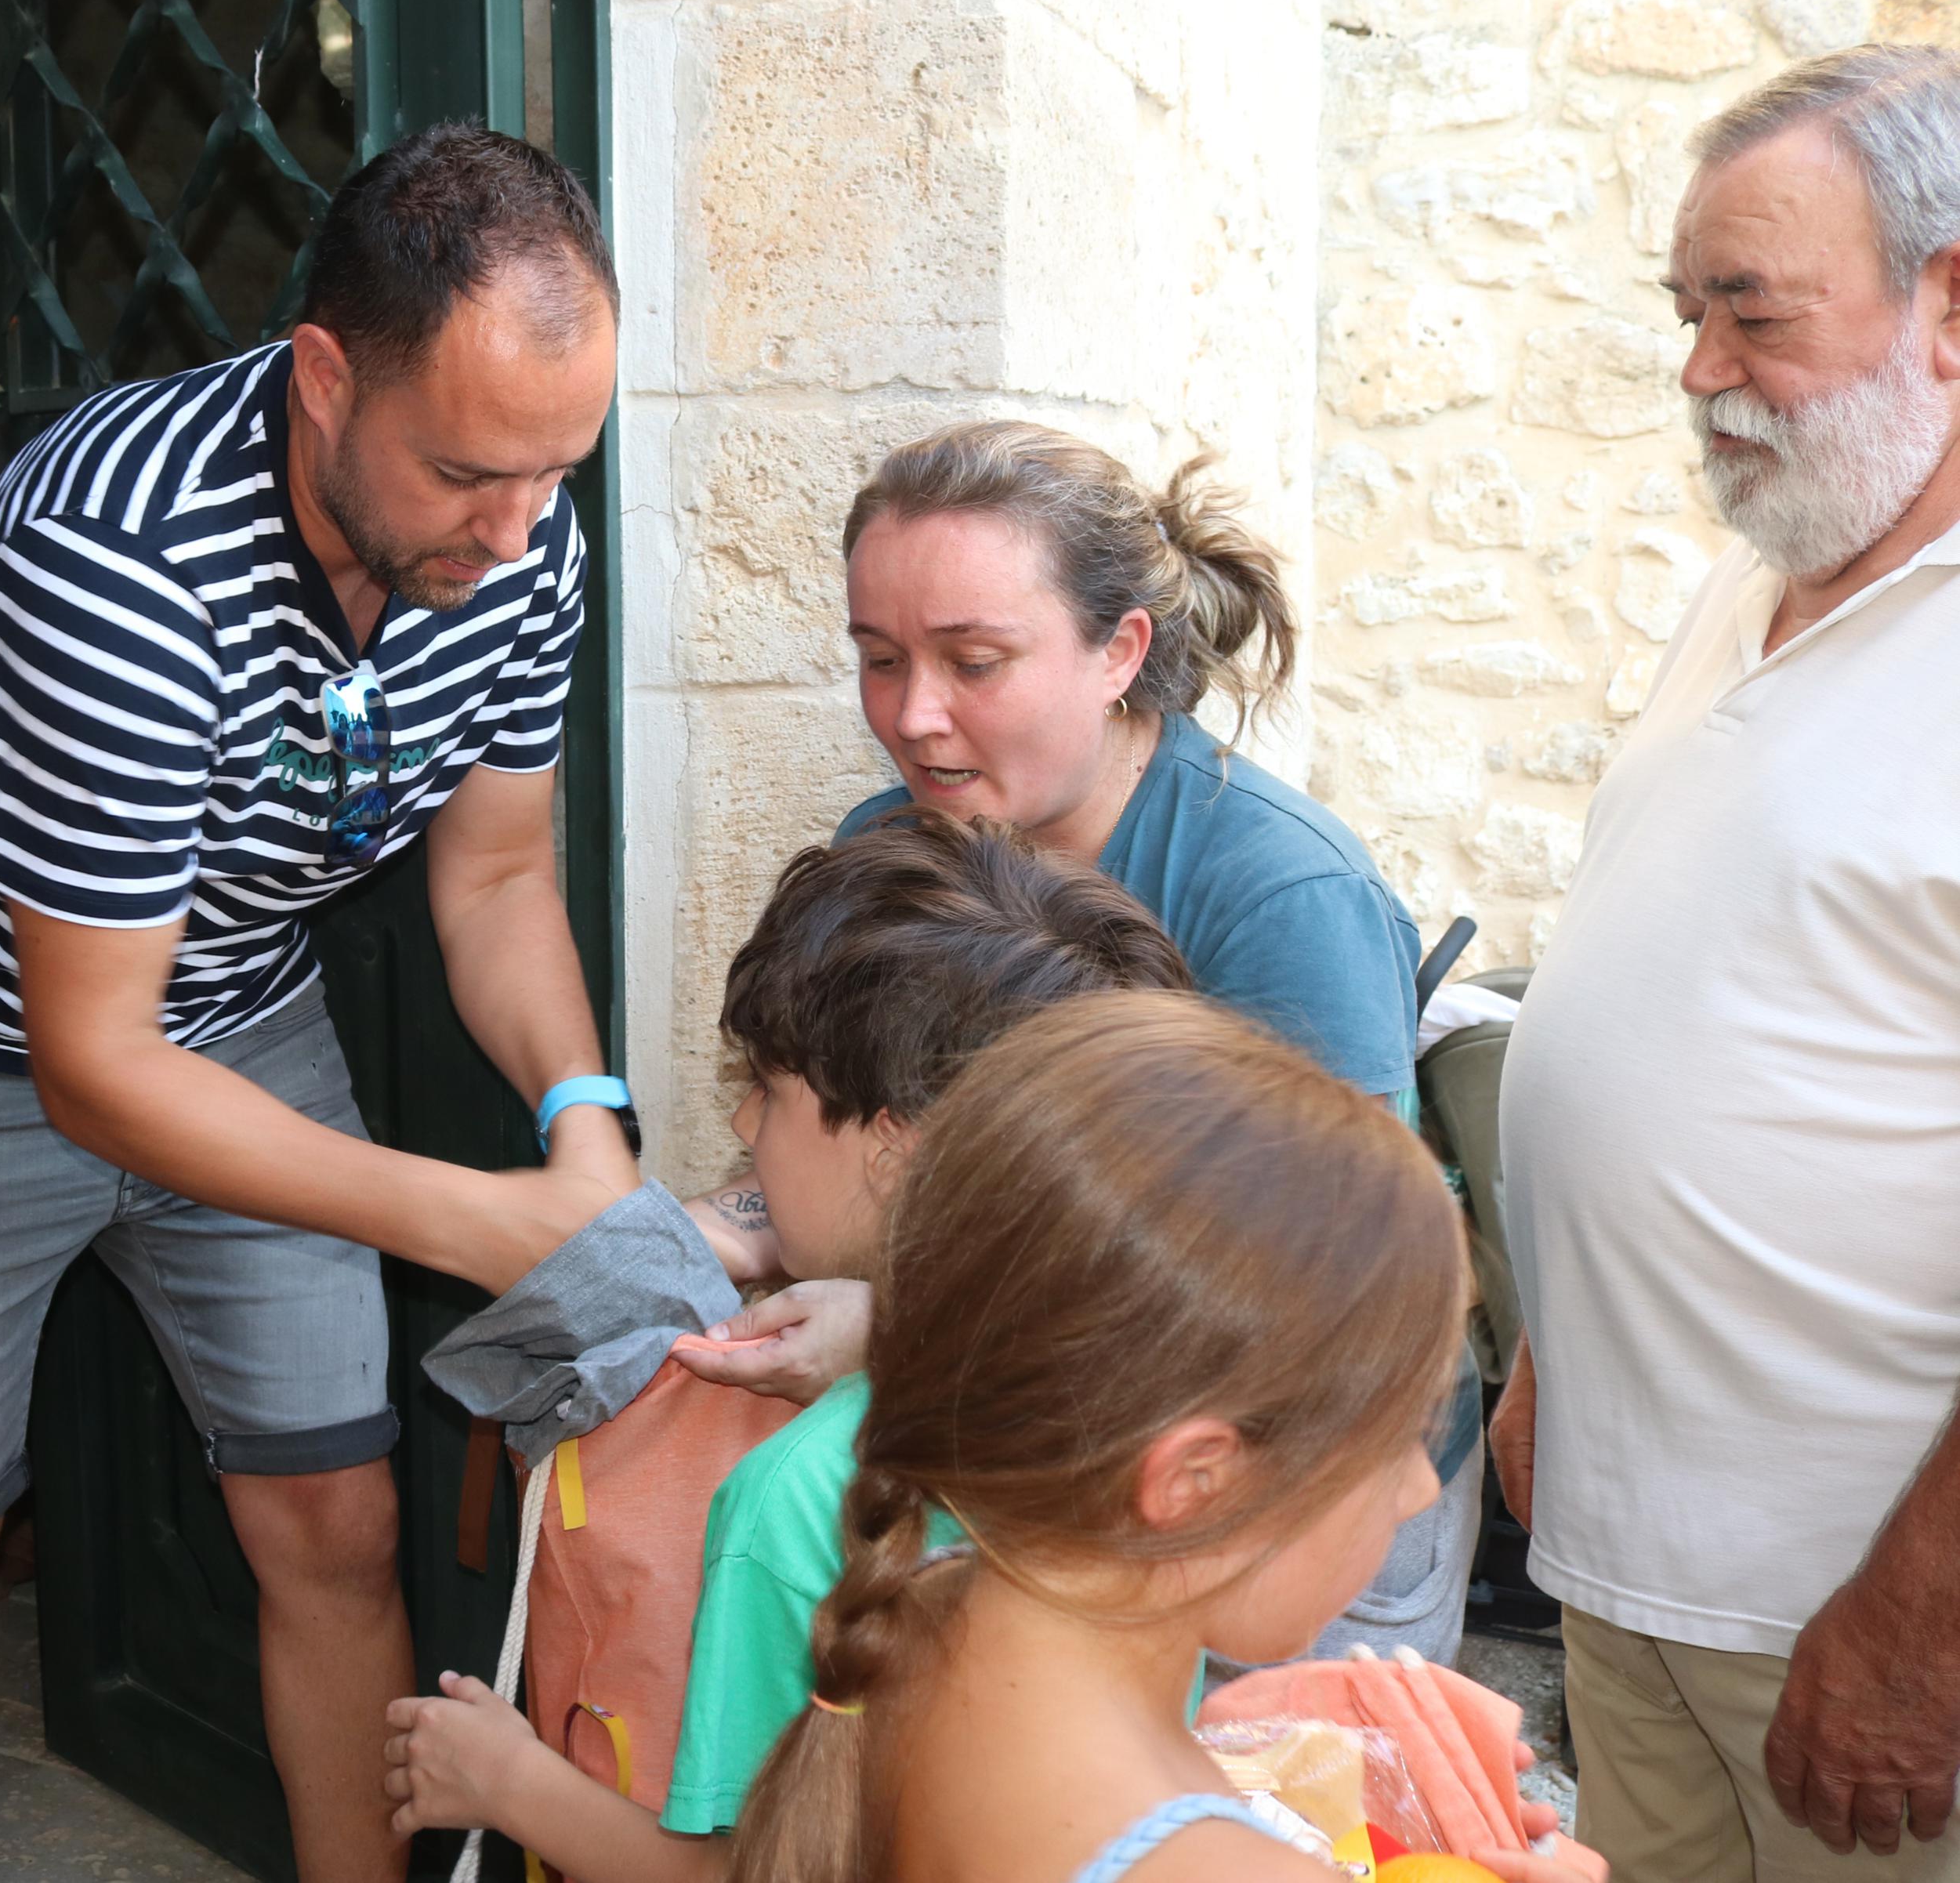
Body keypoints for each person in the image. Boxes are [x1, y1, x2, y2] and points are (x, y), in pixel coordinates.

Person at [0, 122, 632, 1883]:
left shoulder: (517, 537)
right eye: (471, 472)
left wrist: (580, 1121)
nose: (520, 530)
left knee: (336, 1525)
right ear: (324, 377)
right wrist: (480, 1219)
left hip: (236, 1012)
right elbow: (92, 1063)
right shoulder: (109, 564)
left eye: (558, 470)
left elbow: (488, 882)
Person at [684, 425, 1475, 1668]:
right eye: (877, 658)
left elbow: (1341, 1297)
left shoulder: (1278, 896)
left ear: (1120, 651)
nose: (910, 714)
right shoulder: (898, 835)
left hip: (1292, 1502)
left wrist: (901, 1333)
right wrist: (731, 1218)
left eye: (973, 660)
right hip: (1052, 1460)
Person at [380, 809, 1193, 1880]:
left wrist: (507, 1780)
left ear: (895, 1153)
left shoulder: (800, 1494)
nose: (740, 1127)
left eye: (764, 1088)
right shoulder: (1163, 1412)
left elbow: (753, 1869)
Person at [1494, 45, 1960, 1882]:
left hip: (1851, 1617)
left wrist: (1917, 1626)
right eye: (1683, 312)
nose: (1696, 374)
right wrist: (1555, 1336)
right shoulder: (1763, 569)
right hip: (1624, 1587)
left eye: (1751, 316)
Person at [719, 992, 1589, 1883]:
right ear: (1192, 1481)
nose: (1414, 1490)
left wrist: (1243, 1765)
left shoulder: (932, 1611)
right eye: (1396, 1435)